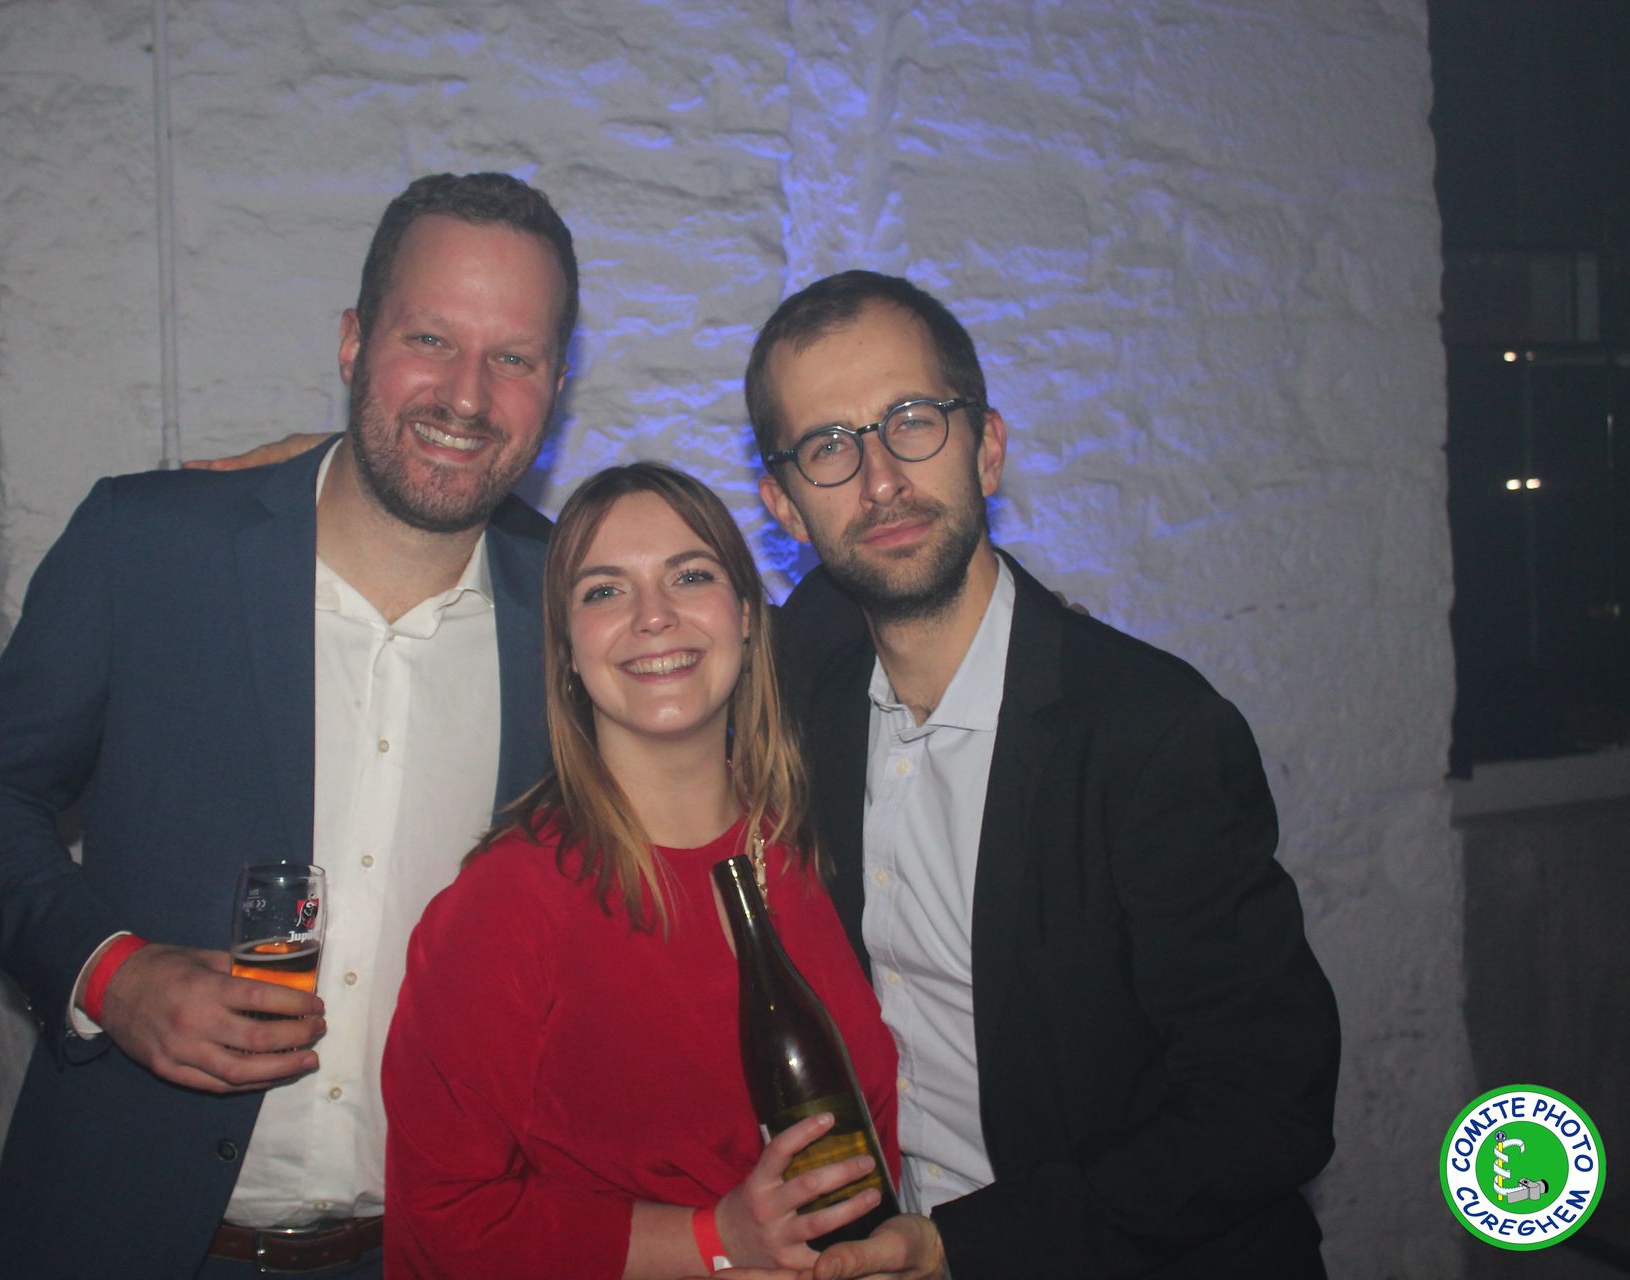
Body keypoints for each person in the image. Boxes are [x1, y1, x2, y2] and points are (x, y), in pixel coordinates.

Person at [0, 171, 576, 1278]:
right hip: (138, 1239)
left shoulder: (579, 617)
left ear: (555, 384)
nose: (466, 395)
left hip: (439, 1249)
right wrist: (111, 975)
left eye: (514, 356)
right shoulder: (149, 547)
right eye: (429, 338)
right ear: (354, 341)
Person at [743, 271, 1342, 1279]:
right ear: (787, 507)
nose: (880, 479)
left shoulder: (1151, 734)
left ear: (987, 446)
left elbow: (1266, 1106)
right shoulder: (807, 689)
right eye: (830, 447)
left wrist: (964, 1247)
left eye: (912, 420)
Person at [381, 463, 901, 1279]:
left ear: (748, 617)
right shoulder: (507, 904)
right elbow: (442, 1219)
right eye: (604, 591)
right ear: (566, 650)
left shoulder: (810, 848)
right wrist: (715, 1238)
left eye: (690, 576)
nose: (654, 616)